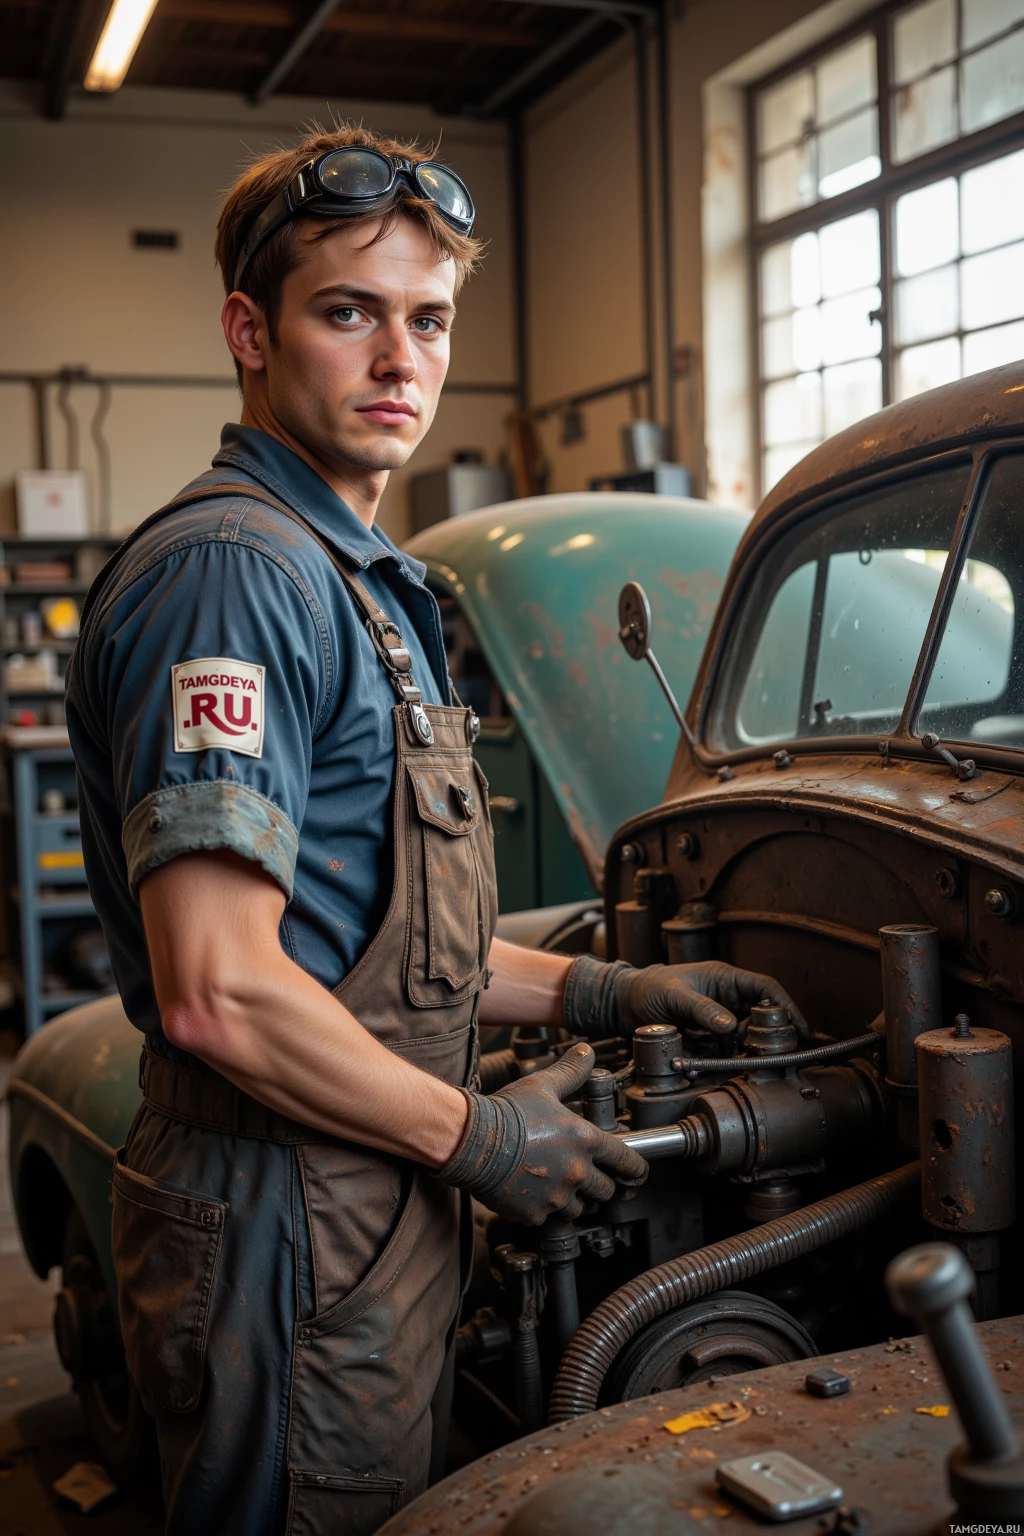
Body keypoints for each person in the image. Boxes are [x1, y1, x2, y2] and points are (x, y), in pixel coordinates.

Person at [65, 123, 804, 1536]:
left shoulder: (358, 584)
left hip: (363, 1187)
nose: (402, 359)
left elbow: (381, 939)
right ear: (249, 330)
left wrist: (597, 986)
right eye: (349, 313)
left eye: (429, 318)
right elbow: (217, 989)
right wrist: (478, 1138)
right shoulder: (236, 578)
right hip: (293, 1213)